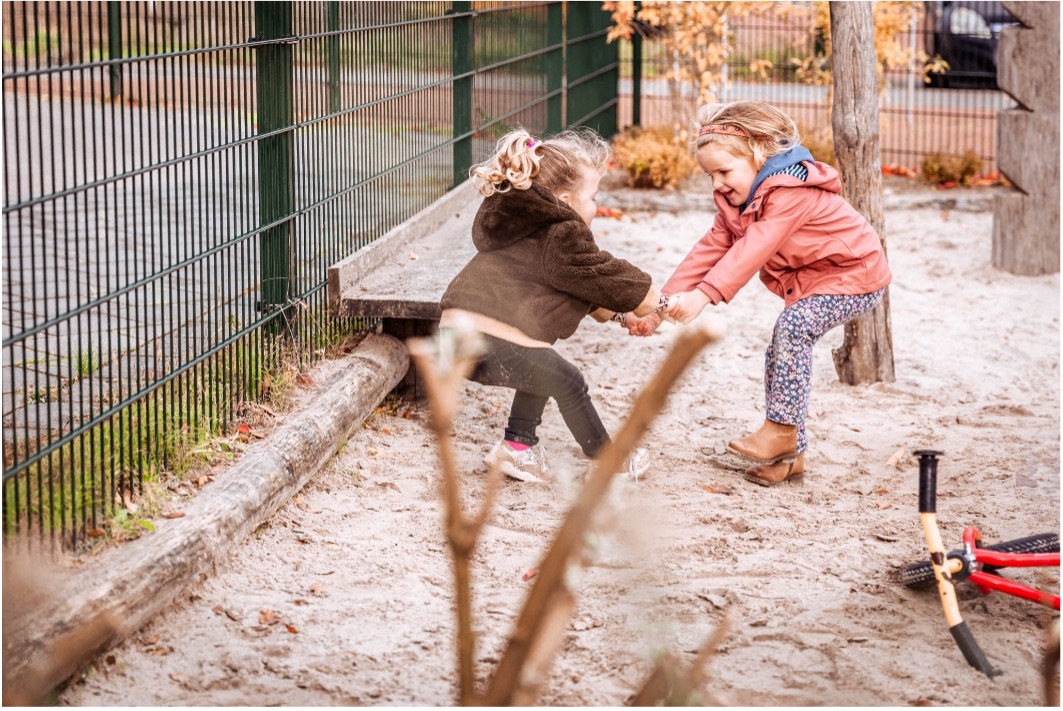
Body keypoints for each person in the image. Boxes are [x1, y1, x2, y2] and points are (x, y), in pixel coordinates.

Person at [627, 100, 892, 487]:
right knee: (783, 348)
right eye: (710, 176)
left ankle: (781, 431)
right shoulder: (737, 201)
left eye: (724, 171)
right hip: (816, 279)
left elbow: (753, 250)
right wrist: (658, 306)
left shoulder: (791, 191)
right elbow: (709, 249)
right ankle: (790, 454)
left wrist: (702, 297)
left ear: (759, 153)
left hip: (854, 272)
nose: (717, 183)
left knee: (793, 329)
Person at [439, 127, 673, 483]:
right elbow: (604, 275)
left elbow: (583, 289)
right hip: (487, 337)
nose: (596, 206)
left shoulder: (527, 224)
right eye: (592, 197)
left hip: (459, 335)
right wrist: (657, 300)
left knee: (541, 366)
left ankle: (517, 449)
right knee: (568, 381)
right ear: (565, 198)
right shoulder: (562, 232)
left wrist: (623, 315)